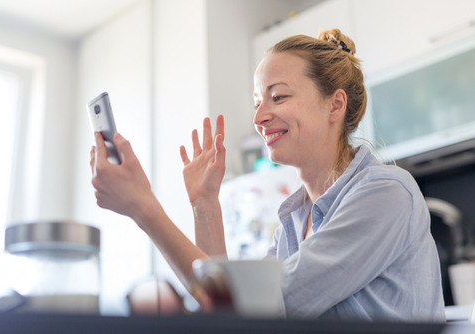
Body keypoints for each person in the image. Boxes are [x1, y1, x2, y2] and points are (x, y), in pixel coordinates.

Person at [90, 29, 445, 322]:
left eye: (277, 97)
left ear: (335, 105)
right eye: (257, 101)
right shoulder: (294, 221)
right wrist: (204, 204)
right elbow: (231, 312)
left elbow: (261, 309)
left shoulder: (386, 193)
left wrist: (145, 210)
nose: (259, 117)